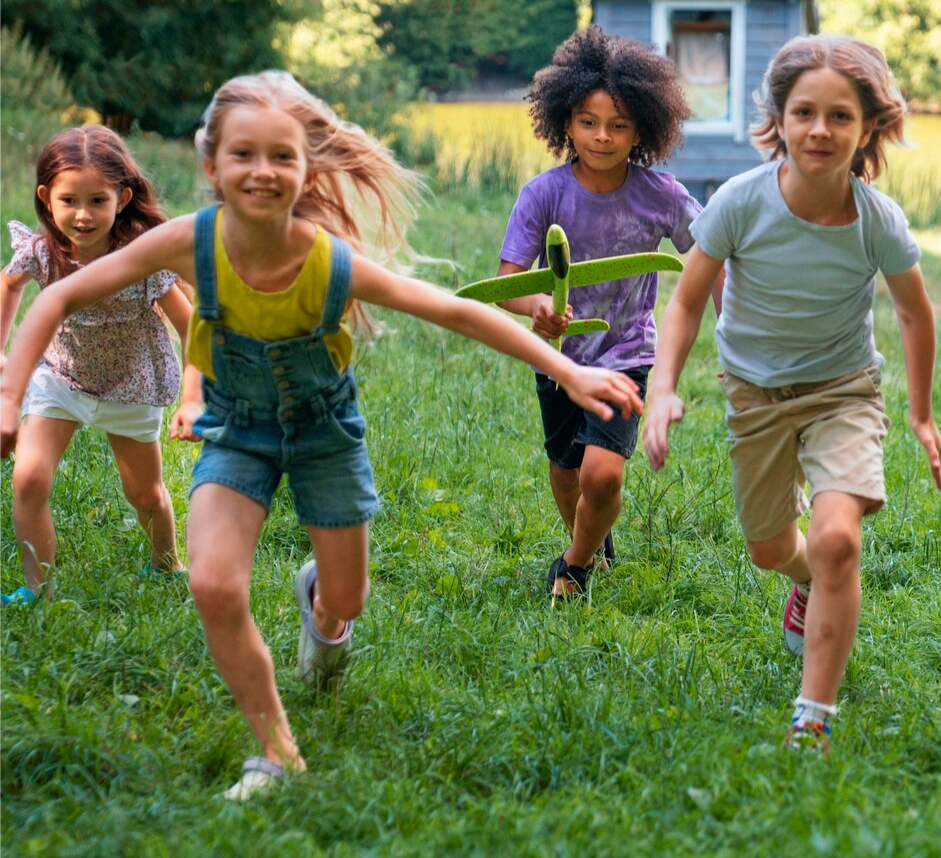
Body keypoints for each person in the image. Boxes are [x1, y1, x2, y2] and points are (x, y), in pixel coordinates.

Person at [0, 71, 644, 799]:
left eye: (282, 156)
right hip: (238, 432)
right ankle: (276, 751)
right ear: (211, 166)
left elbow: (455, 312)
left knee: (348, 599)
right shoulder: (188, 241)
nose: (262, 171)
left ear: (304, 170)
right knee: (213, 584)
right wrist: (9, 395)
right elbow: (58, 296)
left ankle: (322, 607)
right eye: (244, 155)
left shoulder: (325, 258)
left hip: (323, 435)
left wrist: (572, 371)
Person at [642, 35, 941, 754]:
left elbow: (914, 312)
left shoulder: (878, 220)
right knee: (771, 546)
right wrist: (662, 389)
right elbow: (685, 302)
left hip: (845, 392)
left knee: (839, 538)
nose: (820, 130)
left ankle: (813, 715)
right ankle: (805, 578)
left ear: (868, 127)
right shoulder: (740, 204)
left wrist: (922, 413)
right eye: (804, 112)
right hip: (755, 396)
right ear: (777, 120)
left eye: (840, 116)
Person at [491, 25, 708, 600]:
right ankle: (589, 542)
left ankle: (575, 568)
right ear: (564, 121)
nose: (602, 137)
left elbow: (709, 256)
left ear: (642, 128)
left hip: (627, 355)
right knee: (566, 472)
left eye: (618, 125)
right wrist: (536, 305)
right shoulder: (543, 194)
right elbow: (507, 285)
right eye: (588, 122)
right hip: (558, 357)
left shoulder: (661, 195)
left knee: (602, 472)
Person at [0, 125, 191, 606]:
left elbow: (190, 324)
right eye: (68, 200)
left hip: (131, 385)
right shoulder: (44, 250)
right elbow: (9, 286)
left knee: (145, 493)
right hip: (60, 377)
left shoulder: (142, 256)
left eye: (97, 201)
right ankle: (36, 587)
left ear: (123, 197)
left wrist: (198, 388)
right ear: (46, 197)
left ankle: (167, 565)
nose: (82, 215)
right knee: (29, 476)